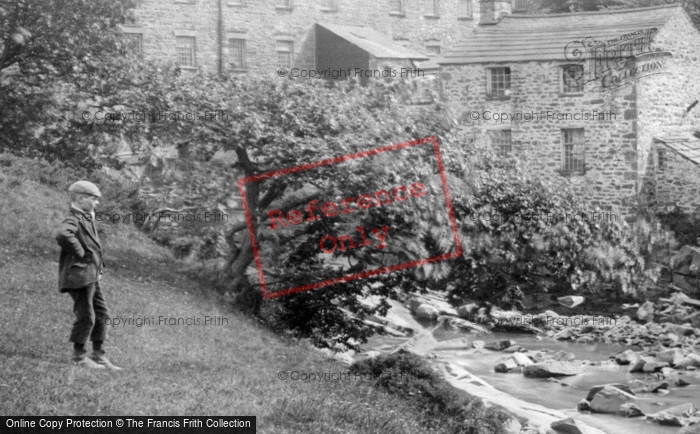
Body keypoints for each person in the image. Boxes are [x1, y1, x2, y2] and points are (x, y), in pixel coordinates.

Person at [56, 181, 121, 370]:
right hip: (79, 276)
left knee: (103, 314)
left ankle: (99, 355)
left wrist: (97, 267)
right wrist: (81, 253)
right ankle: (78, 356)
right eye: (94, 199)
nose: (97, 203)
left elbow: (95, 248)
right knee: (87, 316)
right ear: (80, 198)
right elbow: (63, 235)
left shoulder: (87, 217)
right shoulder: (74, 218)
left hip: (90, 276)